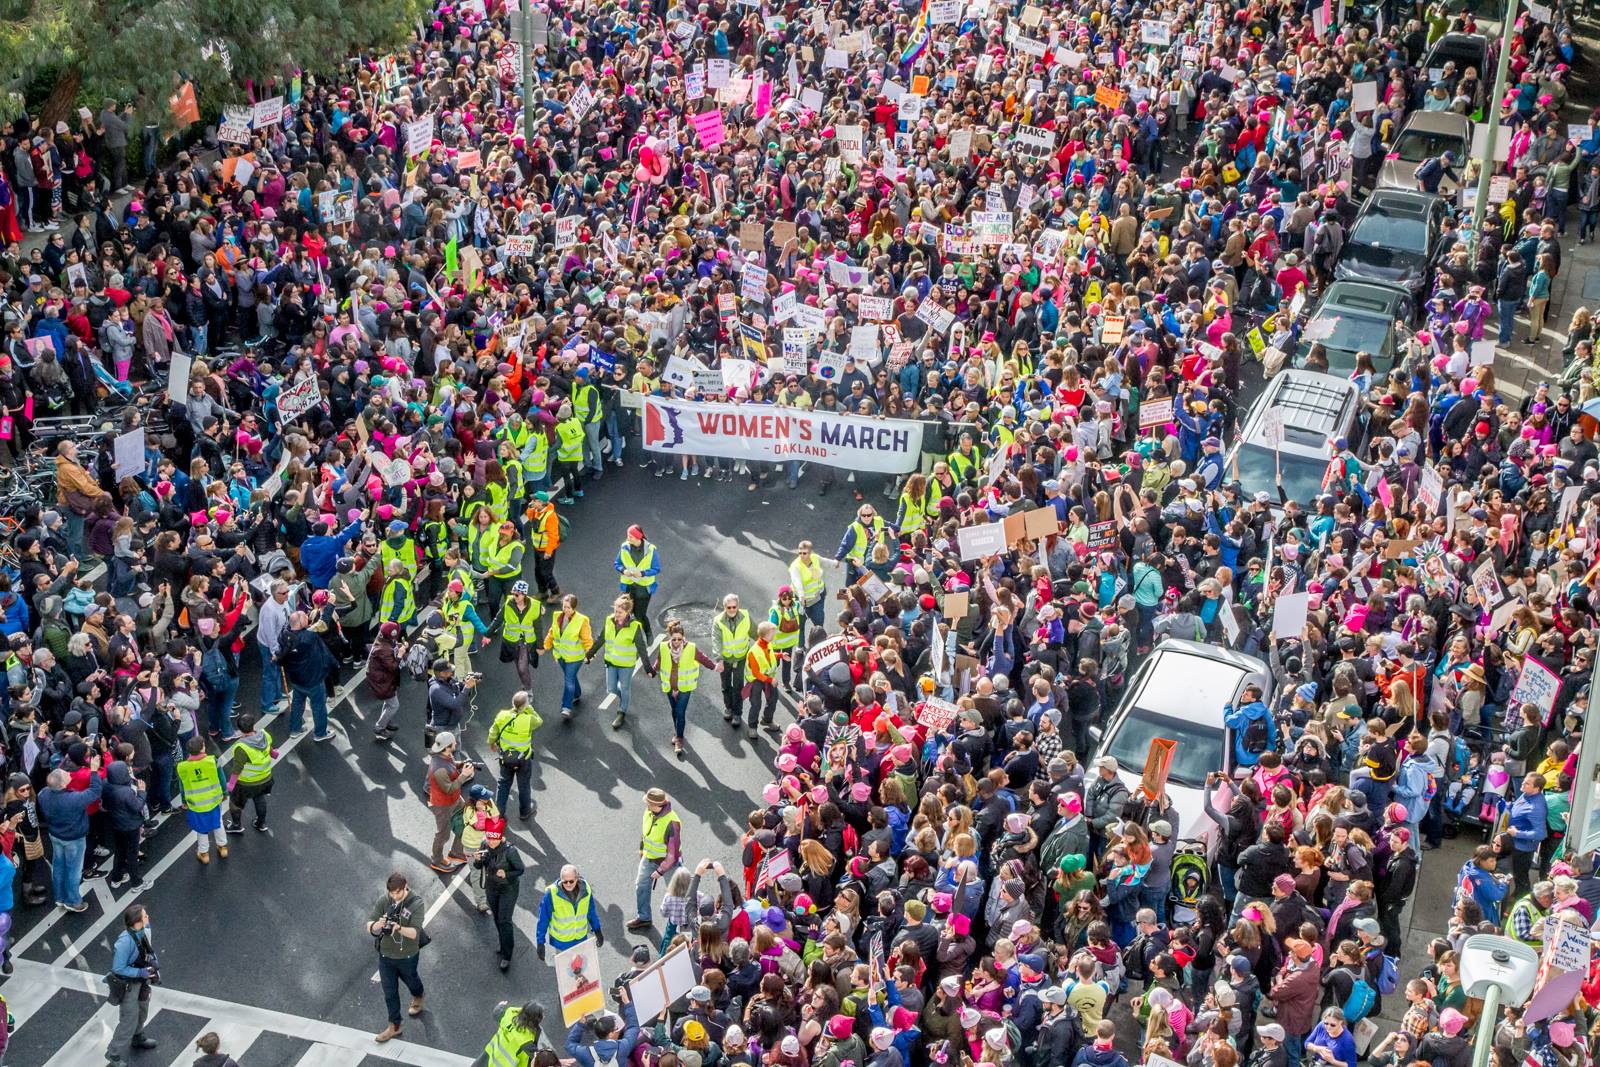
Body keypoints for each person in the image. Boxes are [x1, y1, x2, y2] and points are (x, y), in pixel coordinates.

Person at [367, 872, 426, 1044]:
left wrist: (398, 927)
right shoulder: (384, 900)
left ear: (405, 886)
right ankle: (395, 1025)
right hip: (385, 956)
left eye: (398, 892)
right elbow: (370, 925)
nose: (394, 896)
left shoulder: (416, 903)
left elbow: (415, 933)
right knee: (389, 992)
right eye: (391, 893)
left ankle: (418, 995)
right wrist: (378, 924)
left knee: (412, 980)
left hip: (407, 956)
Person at [38, 760, 103, 911]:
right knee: (74, 870)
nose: (68, 773)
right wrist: (93, 771)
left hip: (55, 835)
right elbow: (94, 791)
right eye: (66, 774)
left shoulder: (43, 794)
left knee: (59, 866)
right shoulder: (73, 799)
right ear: (61, 785)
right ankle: (73, 901)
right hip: (74, 839)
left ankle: (60, 897)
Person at [653, 619, 722, 759]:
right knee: (674, 711)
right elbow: (658, 662)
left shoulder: (691, 648)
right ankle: (677, 731)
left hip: (685, 687)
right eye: (674, 639)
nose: (677, 642)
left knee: (680, 711)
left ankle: (679, 739)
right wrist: (652, 671)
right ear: (669, 638)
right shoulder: (663, 647)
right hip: (669, 686)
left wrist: (715, 667)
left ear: (683, 637)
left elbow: (703, 659)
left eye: (679, 639)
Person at [105, 904, 159, 1067]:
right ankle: (113, 1053)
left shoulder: (143, 930)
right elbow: (118, 968)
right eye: (144, 916)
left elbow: (148, 947)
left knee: (142, 1010)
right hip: (129, 985)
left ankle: (138, 1036)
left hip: (141, 981)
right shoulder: (124, 942)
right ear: (137, 921)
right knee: (128, 1019)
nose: (147, 917)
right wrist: (140, 973)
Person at [592, 595, 652, 730]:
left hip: (626, 665)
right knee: (611, 688)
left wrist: (648, 668)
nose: (616, 615)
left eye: (620, 612)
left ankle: (622, 711)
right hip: (611, 662)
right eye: (615, 611)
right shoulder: (609, 621)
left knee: (625, 687)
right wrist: (590, 654)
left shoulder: (634, 627)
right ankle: (625, 698)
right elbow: (601, 639)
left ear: (627, 613)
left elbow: (642, 649)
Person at [472, 817, 525, 971]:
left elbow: (520, 870)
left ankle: (507, 955)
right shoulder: (484, 845)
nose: (491, 843)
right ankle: (503, 946)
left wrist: (506, 874)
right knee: (497, 918)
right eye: (489, 839)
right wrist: (477, 859)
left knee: (504, 920)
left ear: (501, 837)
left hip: (508, 889)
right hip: (491, 887)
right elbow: (478, 866)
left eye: (494, 839)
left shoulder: (510, 851)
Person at [629, 787, 681, 931]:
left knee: (675, 895)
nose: (646, 805)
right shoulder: (649, 812)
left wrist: (660, 871)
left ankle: (678, 928)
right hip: (649, 857)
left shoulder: (672, 823)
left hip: (669, 864)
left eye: (648, 802)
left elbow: (673, 854)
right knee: (641, 885)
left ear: (657, 805)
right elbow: (645, 833)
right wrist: (642, 850)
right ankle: (644, 917)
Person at [487, 690, 542, 822]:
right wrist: (529, 709)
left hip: (506, 757)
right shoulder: (528, 719)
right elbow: (539, 721)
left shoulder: (502, 715)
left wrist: (491, 743)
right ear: (525, 705)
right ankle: (524, 812)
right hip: (523, 758)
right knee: (524, 785)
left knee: (503, 784)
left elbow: (493, 731)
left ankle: (499, 813)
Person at [427, 730, 475, 873]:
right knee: (443, 834)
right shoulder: (438, 768)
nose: (456, 743)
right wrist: (464, 776)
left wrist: (462, 765)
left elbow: (453, 764)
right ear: (447, 747)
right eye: (454, 742)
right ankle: (436, 860)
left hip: (454, 799)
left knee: (466, 821)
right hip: (443, 805)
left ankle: (457, 853)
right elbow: (448, 789)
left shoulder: (446, 755)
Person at [536, 863, 603, 959]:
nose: (568, 884)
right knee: (565, 972)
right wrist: (540, 942)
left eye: (571, 881)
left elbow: (591, 912)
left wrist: (597, 930)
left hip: (580, 940)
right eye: (565, 881)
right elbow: (543, 919)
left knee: (582, 970)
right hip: (562, 943)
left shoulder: (586, 890)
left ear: (577, 878)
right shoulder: (551, 894)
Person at [222, 713, 274, 834]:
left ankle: (236, 825)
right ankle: (261, 823)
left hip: (246, 783)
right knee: (259, 799)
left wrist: (231, 785)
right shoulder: (264, 734)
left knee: (235, 804)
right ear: (253, 725)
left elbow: (237, 769)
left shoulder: (242, 747)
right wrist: (273, 753)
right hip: (265, 778)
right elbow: (269, 748)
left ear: (240, 730)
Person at [544, 594, 593, 721]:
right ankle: (577, 694)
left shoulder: (582, 620)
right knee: (570, 676)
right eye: (564, 607)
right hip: (561, 655)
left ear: (574, 608)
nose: (566, 610)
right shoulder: (557, 616)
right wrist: (545, 645)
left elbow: (587, 639)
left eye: (569, 608)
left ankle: (566, 707)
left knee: (568, 680)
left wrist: (590, 655)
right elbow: (552, 633)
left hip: (575, 657)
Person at [711, 594, 752, 732]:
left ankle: (737, 714)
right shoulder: (718, 621)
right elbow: (716, 641)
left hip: (740, 657)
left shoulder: (746, 616)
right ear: (724, 607)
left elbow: (756, 633)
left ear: (738, 606)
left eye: (734, 607)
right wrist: (719, 660)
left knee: (738, 686)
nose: (732, 610)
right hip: (726, 659)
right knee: (726, 685)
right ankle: (728, 708)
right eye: (729, 607)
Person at [615, 524, 660, 639]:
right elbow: (617, 563)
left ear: (638, 537)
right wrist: (623, 570)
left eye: (631, 536)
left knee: (639, 615)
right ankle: (628, 636)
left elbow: (656, 568)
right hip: (628, 587)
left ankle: (648, 633)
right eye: (628, 536)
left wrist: (643, 573)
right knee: (625, 612)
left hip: (643, 589)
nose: (628, 538)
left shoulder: (651, 550)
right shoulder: (624, 547)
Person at [500, 580, 545, 691]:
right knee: (519, 667)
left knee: (522, 668)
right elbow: (498, 618)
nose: (514, 596)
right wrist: (487, 634)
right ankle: (525, 684)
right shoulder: (509, 603)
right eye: (513, 593)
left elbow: (538, 628)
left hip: (526, 643)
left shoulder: (534, 606)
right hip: (513, 642)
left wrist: (540, 646)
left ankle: (528, 690)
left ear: (524, 595)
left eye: (517, 594)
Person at [366, 621, 406, 741]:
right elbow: (393, 666)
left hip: (383, 679)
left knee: (389, 703)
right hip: (383, 682)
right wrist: (400, 654)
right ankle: (380, 727)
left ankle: (386, 720)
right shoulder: (384, 650)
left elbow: (392, 644)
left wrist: (398, 646)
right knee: (394, 705)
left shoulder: (382, 639)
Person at [478, 1001, 545, 1067]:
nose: (543, 1016)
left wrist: (500, 1005)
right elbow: (537, 1057)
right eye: (541, 1015)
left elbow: (496, 1013)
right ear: (535, 1019)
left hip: (490, 1056)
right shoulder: (526, 1039)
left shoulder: (509, 1015)